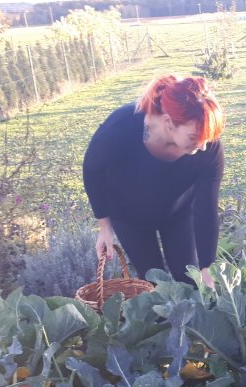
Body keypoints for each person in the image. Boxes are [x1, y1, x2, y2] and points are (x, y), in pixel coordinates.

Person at [82, 75, 225, 288]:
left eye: (207, 137)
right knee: (152, 283)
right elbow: (92, 171)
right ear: (169, 122)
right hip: (129, 217)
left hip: (178, 215)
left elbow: (206, 208)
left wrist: (207, 267)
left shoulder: (208, 148)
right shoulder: (120, 128)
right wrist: (104, 226)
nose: (203, 146)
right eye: (195, 137)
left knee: (189, 279)